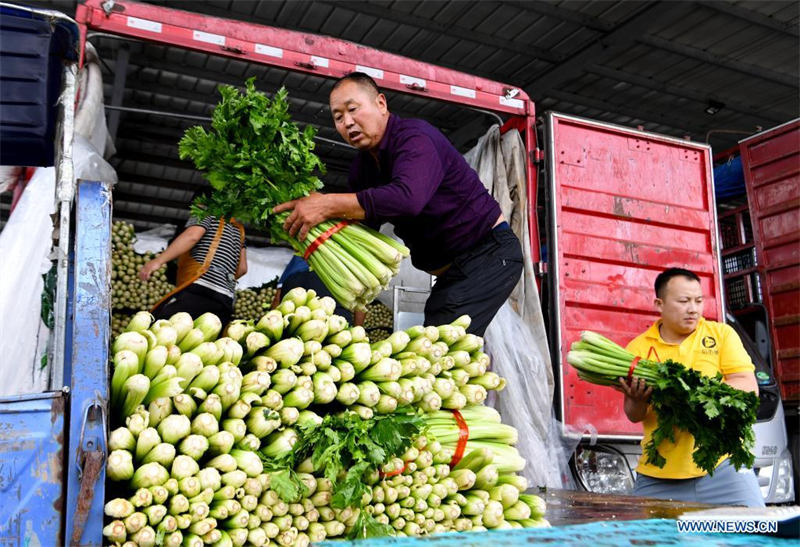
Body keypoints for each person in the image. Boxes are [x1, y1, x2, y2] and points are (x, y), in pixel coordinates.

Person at [274, 72, 522, 336]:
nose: (347, 122)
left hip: (489, 253)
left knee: (440, 342)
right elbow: (363, 224)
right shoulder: (363, 169)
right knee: (439, 337)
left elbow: (407, 199)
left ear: (381, 103)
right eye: (338, 117)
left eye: (353, 109)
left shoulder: (415, 139)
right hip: (453, 270)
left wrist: (326, 204)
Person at [618, 267, 764, 507]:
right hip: (659, 473)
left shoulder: (720, 334)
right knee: (650, 542)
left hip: (723, 467)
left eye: (698, 300)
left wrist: (694, 395)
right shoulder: (638, 350)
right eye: (684, 301)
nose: (693, 309)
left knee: (756, 536)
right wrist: (636, 399)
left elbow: (748, 387)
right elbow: (634, 415)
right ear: (659, 304)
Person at [140, 214, 247, 326]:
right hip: (225, 299)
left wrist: (158, 261)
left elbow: (192, 236)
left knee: (161, 326)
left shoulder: (206, 212)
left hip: (200, 289)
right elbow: (242, 269)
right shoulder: (240, 230)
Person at [271, 255, 364, 326]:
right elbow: (361, 305)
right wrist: (358, 332)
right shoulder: (344, 261)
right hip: (338, 324)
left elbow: (277, 299)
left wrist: (272, 323)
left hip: (295, 325)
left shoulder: (297, 260)